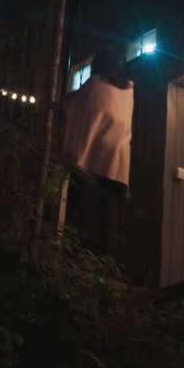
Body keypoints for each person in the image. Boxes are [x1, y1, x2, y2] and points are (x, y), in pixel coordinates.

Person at [62, 48, 133, 254]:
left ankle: (79, 258)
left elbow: (78, 118)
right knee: (110, 223)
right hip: (119, 166)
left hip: (90, 163)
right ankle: (106, 263)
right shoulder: (130, 90)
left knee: (84, 220)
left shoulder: (93, 86)